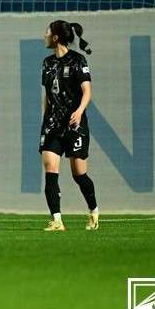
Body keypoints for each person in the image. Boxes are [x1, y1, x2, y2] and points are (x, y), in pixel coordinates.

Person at [39, 20, 99, 231]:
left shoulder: (77, 60)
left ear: (55, 37)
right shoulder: (47, 63)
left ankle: (93, 211)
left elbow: (87, 91)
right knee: (50, 168)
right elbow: (47, 94)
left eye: (47, 32)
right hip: (52, 125)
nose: (44, 35)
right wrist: (45, 119)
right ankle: (57, 220)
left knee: (79, 174)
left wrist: (79, 111)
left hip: (74, 124)